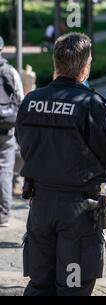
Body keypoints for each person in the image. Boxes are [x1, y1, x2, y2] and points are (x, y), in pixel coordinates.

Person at [15, 33, 106, 296]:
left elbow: (24, 142)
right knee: (73, 286)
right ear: (85, 66)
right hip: (77, 210)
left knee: (39, 284)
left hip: (40, 205)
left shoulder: (31, 101)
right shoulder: (89, 103)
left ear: (56, 62)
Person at [0, 35, 24, 228]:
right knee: (5, 171)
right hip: (7, 128)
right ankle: (3, 214)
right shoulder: (10, 71)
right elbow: (21, 100)